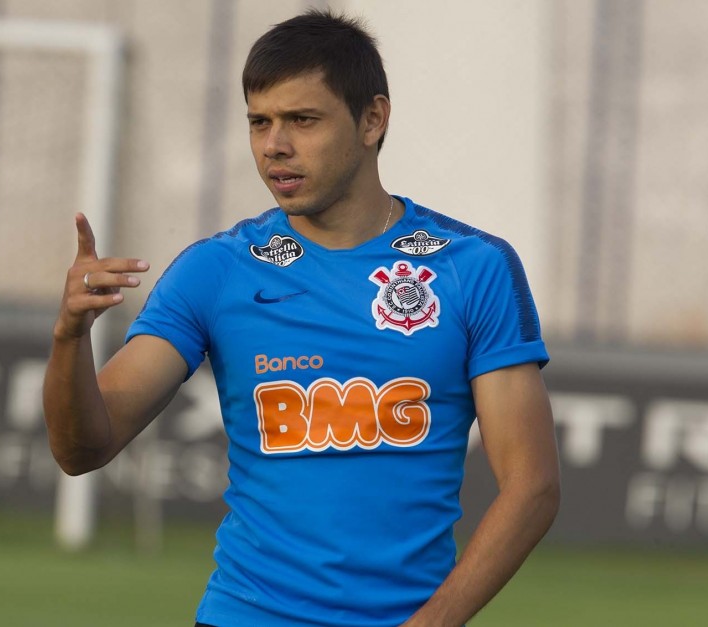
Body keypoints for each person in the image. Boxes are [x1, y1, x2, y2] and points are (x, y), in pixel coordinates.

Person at [43, 9, 560, 627]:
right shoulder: (217, 270)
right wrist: (69, 337)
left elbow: (532, 486)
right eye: (259, 122)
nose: (274, 145)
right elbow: (84, 448)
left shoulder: (473, 269)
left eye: (302, 120)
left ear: (373, 119)